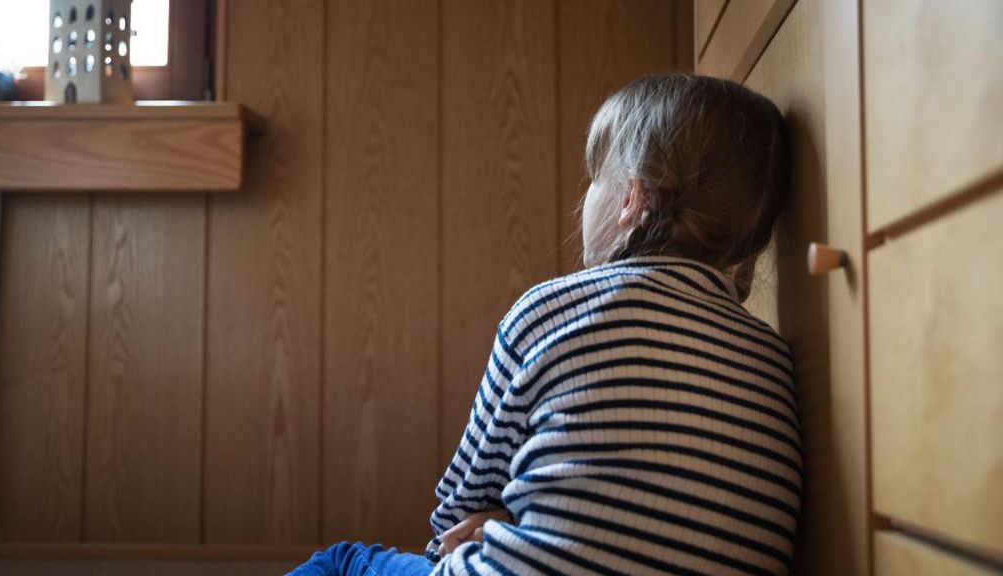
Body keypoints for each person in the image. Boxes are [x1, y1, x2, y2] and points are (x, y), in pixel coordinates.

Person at [289, 73, 799, 576]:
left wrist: (498, 524)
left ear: (631, 200)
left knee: (343, 562)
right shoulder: (772, 358)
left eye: (595, 176)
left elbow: (456, 513)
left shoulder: (552, 310)